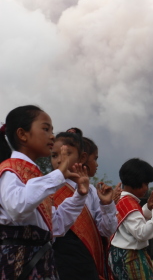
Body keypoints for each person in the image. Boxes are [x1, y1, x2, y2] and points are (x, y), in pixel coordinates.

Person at [0, 105, 90, 279]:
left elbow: (55, 225)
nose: (52, 136)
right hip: (18, 264)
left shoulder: (35, 176)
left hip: (41, 262)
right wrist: (57, 175)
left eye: (52, 130)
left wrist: (80, 195)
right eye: (45, 128)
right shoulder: (9, 171)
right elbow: (17, 208)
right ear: (22, 134)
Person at [52, 129, 117, 280]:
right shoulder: (49, 186)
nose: (60, 160)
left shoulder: (92, 191)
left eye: (67, 154)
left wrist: (107, 205)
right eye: (55, 155)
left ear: (81, 157)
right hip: (59, 262)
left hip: (86, 261)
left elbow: (106, 231)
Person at [109, 158, 153, 280]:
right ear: (136, 182)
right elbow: (141, 232)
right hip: (130, 256)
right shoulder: (129, 203)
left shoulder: (124, 200)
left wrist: (148, 209)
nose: (147, 188)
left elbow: (132, 220)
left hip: (122, 253)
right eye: (146, 184)